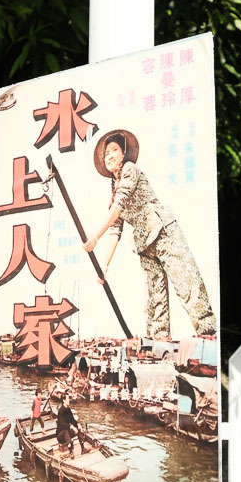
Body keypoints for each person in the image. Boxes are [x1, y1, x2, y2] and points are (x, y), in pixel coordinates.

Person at [82, 129, 216, 338]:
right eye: (106, 153)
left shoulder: (130, 169)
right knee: (154, 297)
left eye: (114, 150)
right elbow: (116, 230)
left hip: (163, 231)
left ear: (124, 153)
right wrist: (104, 265)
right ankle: (158, 340)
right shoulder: (113, 191)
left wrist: (96, 236)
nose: (109, 155)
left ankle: (209, 333)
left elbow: (120, 203)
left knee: (186, 283)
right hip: (144, 243)